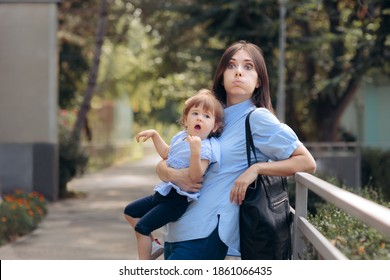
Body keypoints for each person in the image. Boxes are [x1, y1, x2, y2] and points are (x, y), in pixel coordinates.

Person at [156, 40, 317, 260]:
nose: (238, 72)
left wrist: (256, 169)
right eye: (231, 66)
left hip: (207, 232)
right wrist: (170, 173)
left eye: (248, 67)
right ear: (222, 75)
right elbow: (173, 155)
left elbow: (307, 162)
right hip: (177, 228)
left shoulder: (257, 118)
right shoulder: (212, 115)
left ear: (259, 81)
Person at [123, 89, 224, 260]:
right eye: (195, 113)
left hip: (176, 201)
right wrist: (155, 135)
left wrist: (195, 152)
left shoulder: (205, 147)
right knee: (130, 212)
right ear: (186, 119)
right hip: (164, 192)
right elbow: (166, 154)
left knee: (142, 227)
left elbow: (196, 175)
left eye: (207, 116)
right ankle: (153, 244)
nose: (200, 118)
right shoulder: (181, 137)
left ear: (214, 126)